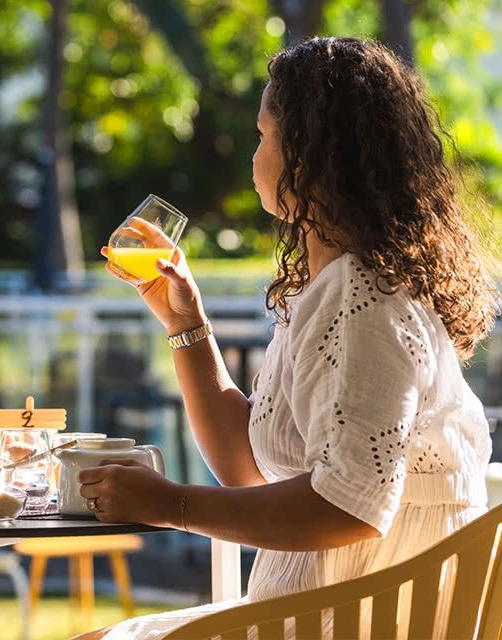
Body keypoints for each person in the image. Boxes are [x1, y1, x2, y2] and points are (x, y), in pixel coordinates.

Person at [78, 37, 500, 639]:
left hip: (350, 624)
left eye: (262, 135)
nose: (254, 154)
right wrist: (186, 326)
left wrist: (168, 503)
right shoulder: (335, 288)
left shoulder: (364, 299)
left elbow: (348, 504)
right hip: (318, 615)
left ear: (311, 155)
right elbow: (249, 470)